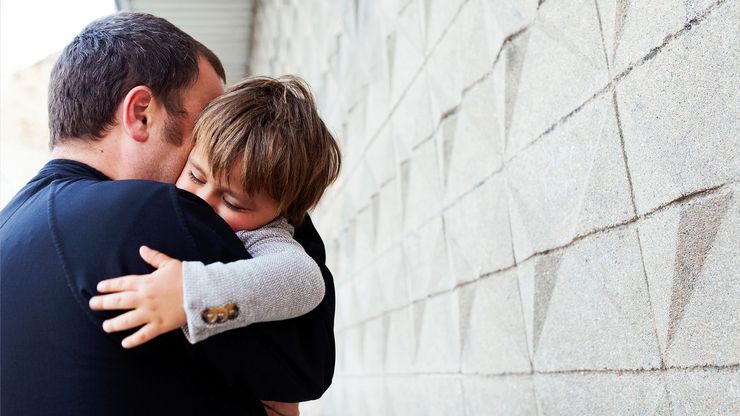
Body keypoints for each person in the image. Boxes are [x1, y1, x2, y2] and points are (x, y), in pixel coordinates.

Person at [0, 12, 334, 416]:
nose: (218, 135)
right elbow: (304, 367)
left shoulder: (12, 230)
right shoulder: (150, 212)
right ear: (142, 112)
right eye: (209, 113)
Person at [88, 76, 341, 416]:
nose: (202, 201)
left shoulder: (264, 236)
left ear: (284, 212)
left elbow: (304, 279)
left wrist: (192, 298)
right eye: (195, 176)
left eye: (233, 203)